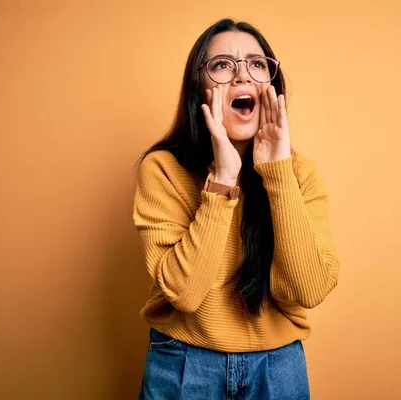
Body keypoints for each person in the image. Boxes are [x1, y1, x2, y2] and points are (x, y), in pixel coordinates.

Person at [133, 18, 340, 400]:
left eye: (257, 64)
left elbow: (307, 289)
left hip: (277, 369)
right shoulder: (162, 170)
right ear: (199, 89)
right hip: (183, 363)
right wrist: (224, 180)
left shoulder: (301, 175)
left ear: (272, 88)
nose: (242, 76)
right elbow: (186, 295)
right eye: (223, 64)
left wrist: (277, 175)